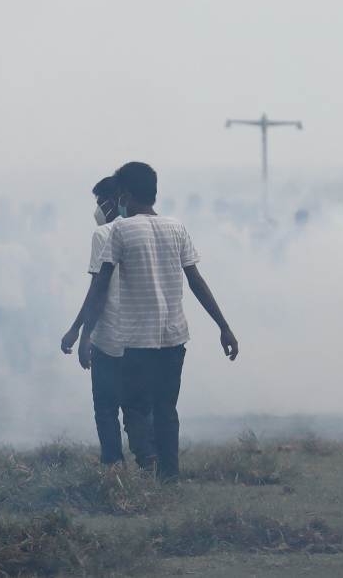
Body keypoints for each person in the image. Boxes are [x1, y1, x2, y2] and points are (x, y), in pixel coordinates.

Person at [80, 162, 238, 481]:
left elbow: (100, 285)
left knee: (135, 408)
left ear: (123, 195)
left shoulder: (121, 229)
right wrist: (223, 325)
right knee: (166, 411)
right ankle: (170, 476)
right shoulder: (176, 227)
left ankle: (149, 462)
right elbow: (196, 280)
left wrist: (83, 334)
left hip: (136, 341)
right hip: (174, 338)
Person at [61, 175, 154, 467]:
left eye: (100, 202)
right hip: (143, 336)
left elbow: (97, 291)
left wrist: (80, 332)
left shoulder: (104, 234)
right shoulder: (146, 231)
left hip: (110, 335)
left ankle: (113, 466)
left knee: (105, 407)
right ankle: (149, 458)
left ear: (114, 202)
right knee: (138, 406)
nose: (98, 209)